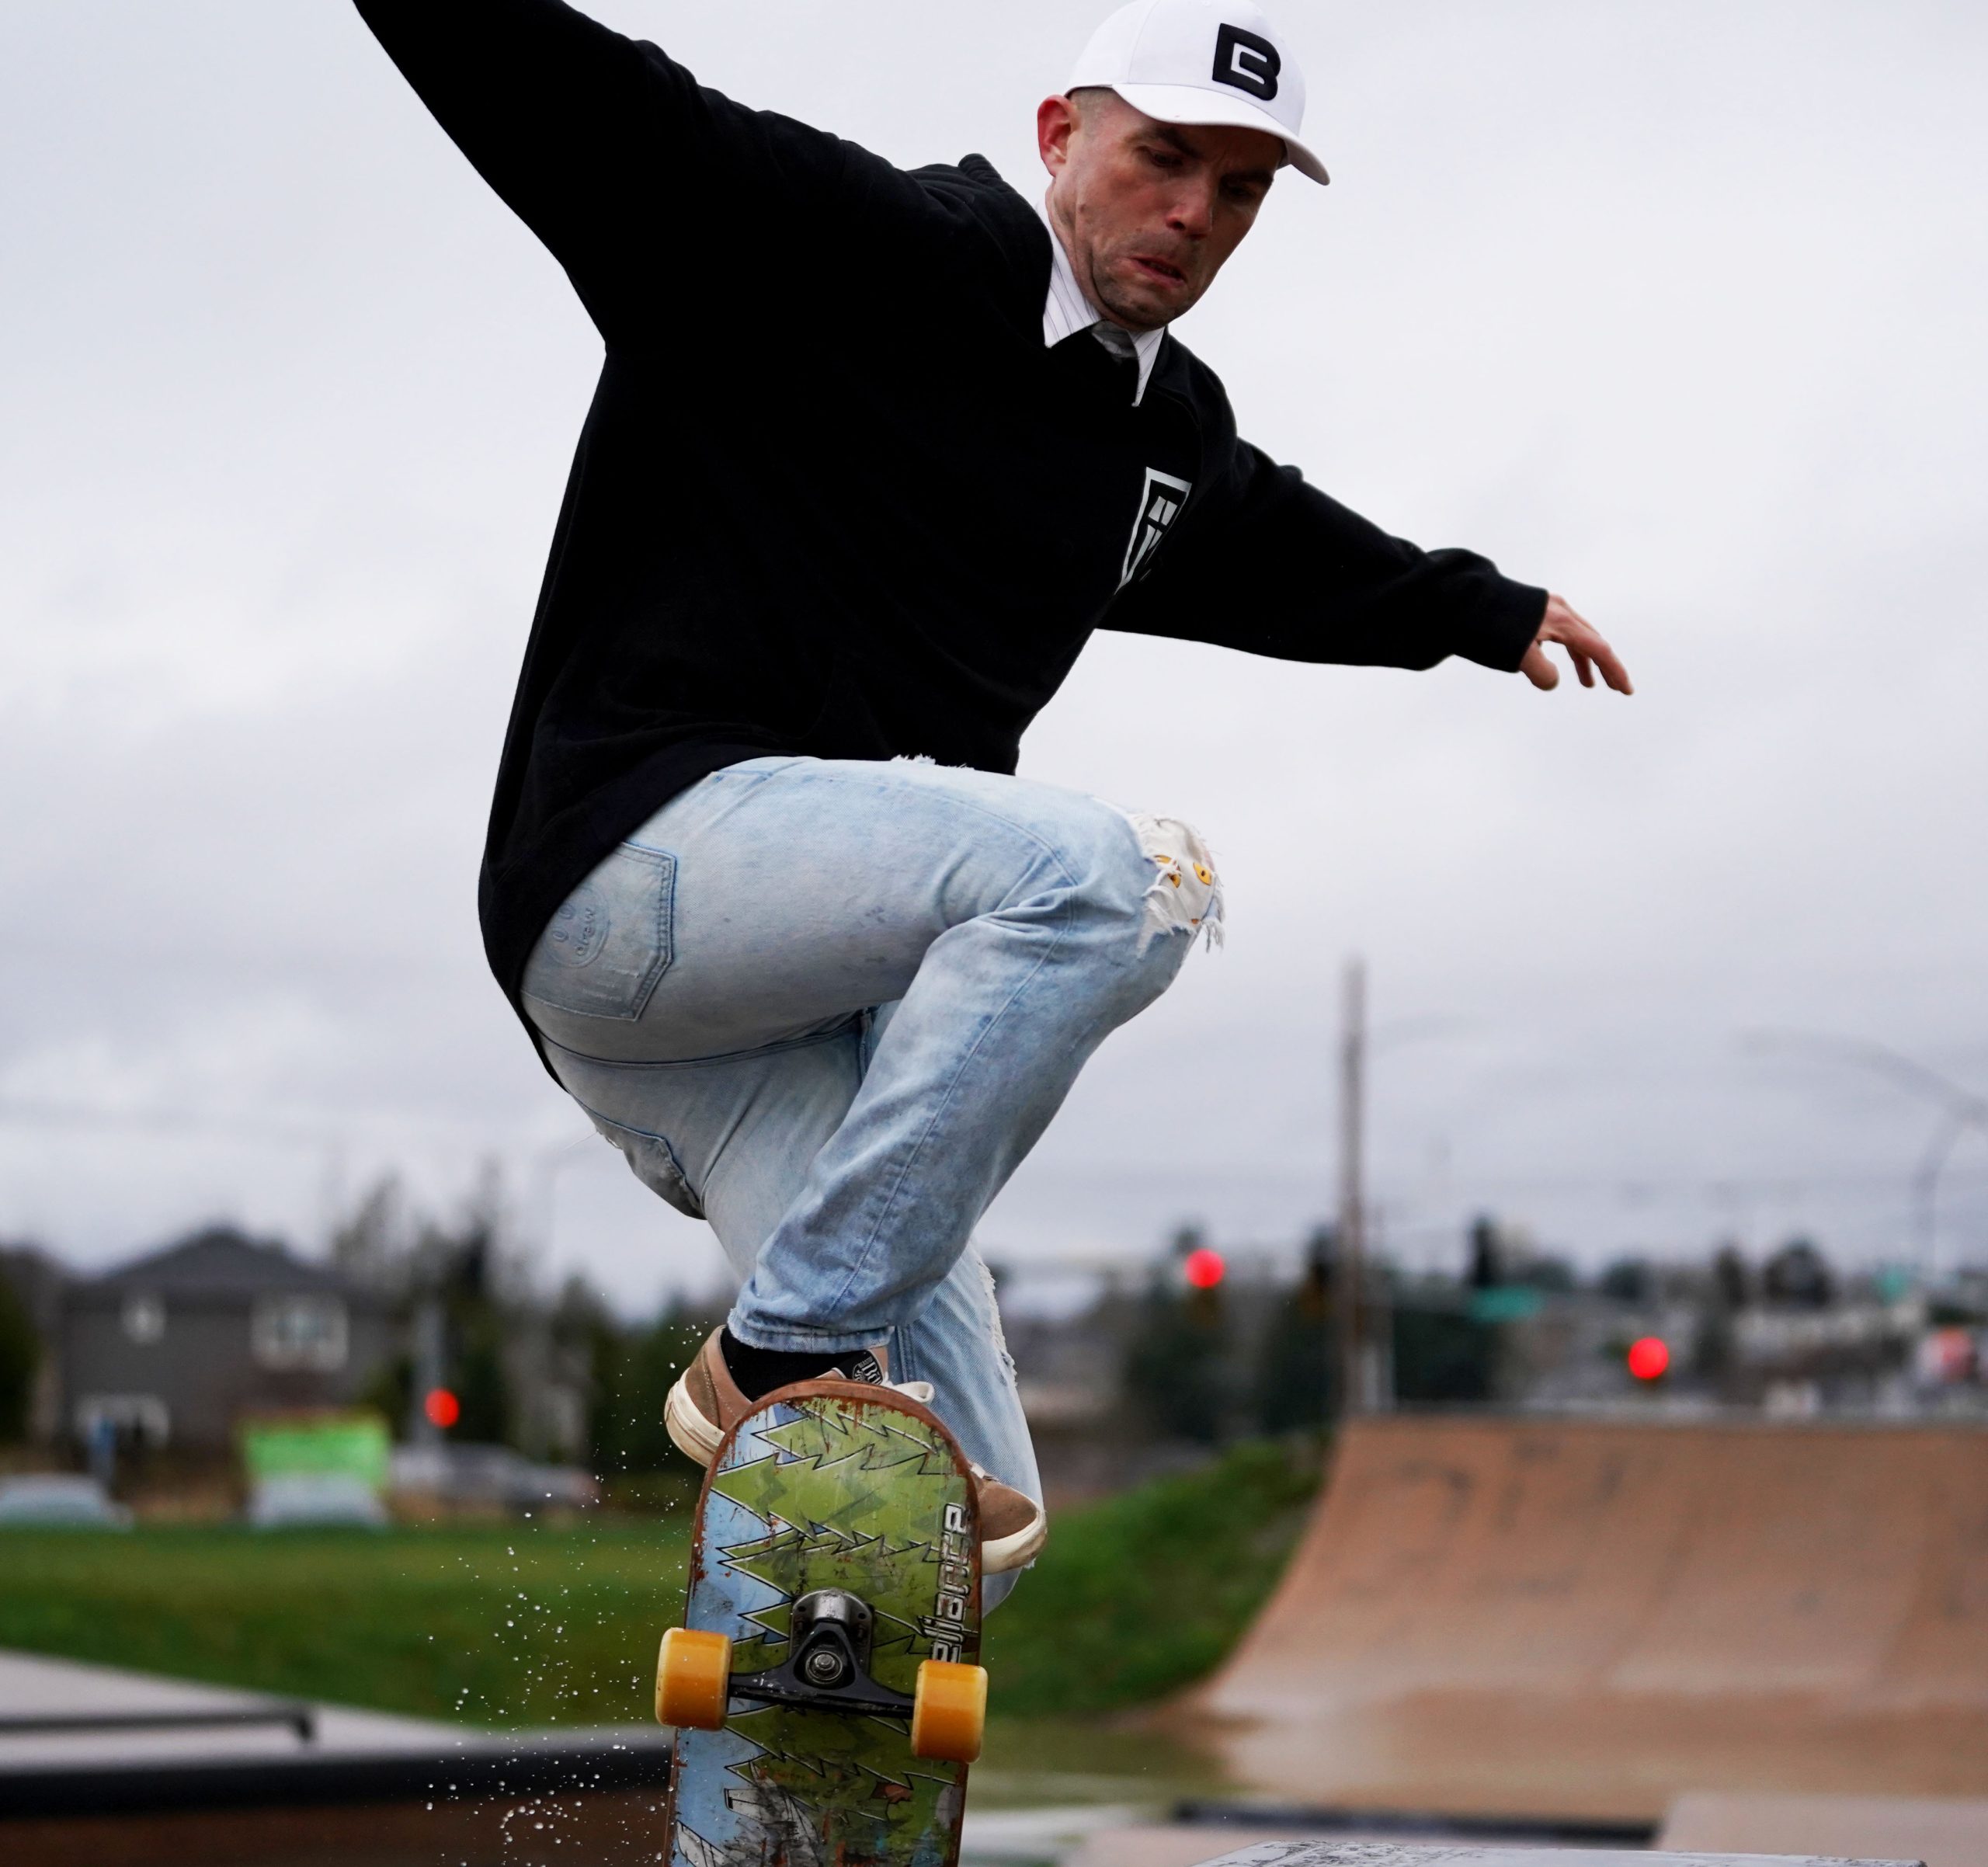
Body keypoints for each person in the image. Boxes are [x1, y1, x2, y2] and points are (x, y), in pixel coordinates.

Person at [353, 0, 1631, 1597]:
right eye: (1162, 159)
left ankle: (779, 1689)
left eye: (1236, 190)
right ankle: (781, 1353)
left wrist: (1484, 610)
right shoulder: (855, 247)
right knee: (1116, 882)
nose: (1192, 214)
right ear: (1059, 137)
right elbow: (600, 111)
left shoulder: (1160, 439)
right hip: (634, 870)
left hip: (763, 1038)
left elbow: (1276, 542)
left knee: (950, 1532)